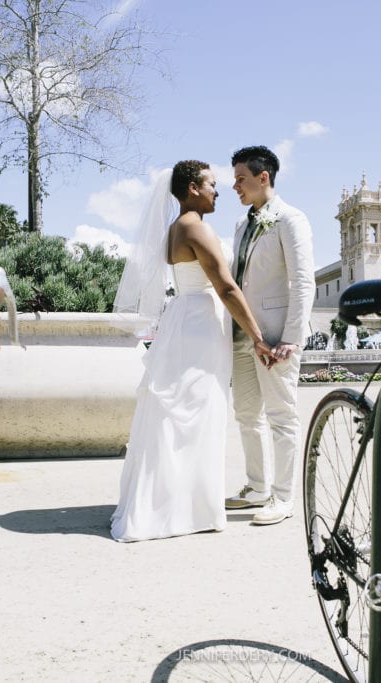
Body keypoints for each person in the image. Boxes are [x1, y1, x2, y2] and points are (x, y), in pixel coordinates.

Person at [110, 160, 275, 543]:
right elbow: (227, 288)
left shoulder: (179, 226)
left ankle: (183, 503)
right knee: (192, 413)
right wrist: (257, 337)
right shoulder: (192, 227)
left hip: (189, 319)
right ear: (191, 189)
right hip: (198, 325)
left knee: (188, 413)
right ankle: (182, 509)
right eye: (211, 184)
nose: (218, 190)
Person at [224, 145, 316, 526]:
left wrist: (292, 337)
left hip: (277, 338)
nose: (235, 187)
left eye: (241, 179)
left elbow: (302, 280)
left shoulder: (291, 220)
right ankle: (256, 487)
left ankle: (283, 497)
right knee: (246, 414)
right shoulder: (242, 225)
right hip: (243, 336)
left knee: (281, 416)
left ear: (265, 178)